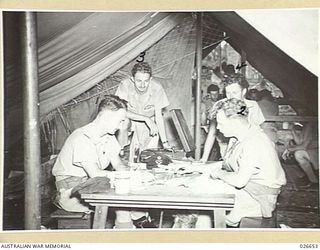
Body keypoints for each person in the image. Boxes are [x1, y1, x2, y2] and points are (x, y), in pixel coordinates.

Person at [52, 95, 152, 229]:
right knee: (122, 205)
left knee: (137, 203)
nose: (120, 126)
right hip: (71, 192)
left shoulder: (108, 136)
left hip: (93, 187)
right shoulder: (82, 137)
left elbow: (118, 164)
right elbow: (95, 173)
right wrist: (125, 177)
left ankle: (140, 230)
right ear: (105, 117)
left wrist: (136, 175)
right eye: (119, 121)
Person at [210, 98, 287, 227]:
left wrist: (218, 173)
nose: (218, 127)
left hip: (260, 198)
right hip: (252, 190)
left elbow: (240, 181)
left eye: (221, 123)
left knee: (206, 212)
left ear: (235, 122)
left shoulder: (253, 142)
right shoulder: (243, 135)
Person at [200, 74, 265, 162]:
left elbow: (257, 133)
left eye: (234, 93)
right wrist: (204, 159)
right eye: (228, 93)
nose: (230, 97)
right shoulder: (220, 106)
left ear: (244, 91)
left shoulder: (253, 106)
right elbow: (212, 133)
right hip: (226, 154)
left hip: (248, 154)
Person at [115, 62, 171, 161]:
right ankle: (120, 152)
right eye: (139, 81)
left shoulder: (157, 88)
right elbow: (121, 111)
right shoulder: (125, 85)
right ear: (132, 79)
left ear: (151, 79)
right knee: (123, 123)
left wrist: (165, 143)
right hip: (131, 120)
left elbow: (158, 116)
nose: (142, 85)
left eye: (146, 81)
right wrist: (145, 119)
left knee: (148, 157)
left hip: (150, 121)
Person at [282, 122, 319, 188]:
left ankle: (315, 179)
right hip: (313, 150)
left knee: (299, 154)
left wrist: (289, 149)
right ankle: (314, 181)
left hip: (316, 151)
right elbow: (299, 142)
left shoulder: (311, 123)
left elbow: (304, 146)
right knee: (299, 154)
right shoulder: (306, 125)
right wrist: (292, 130)